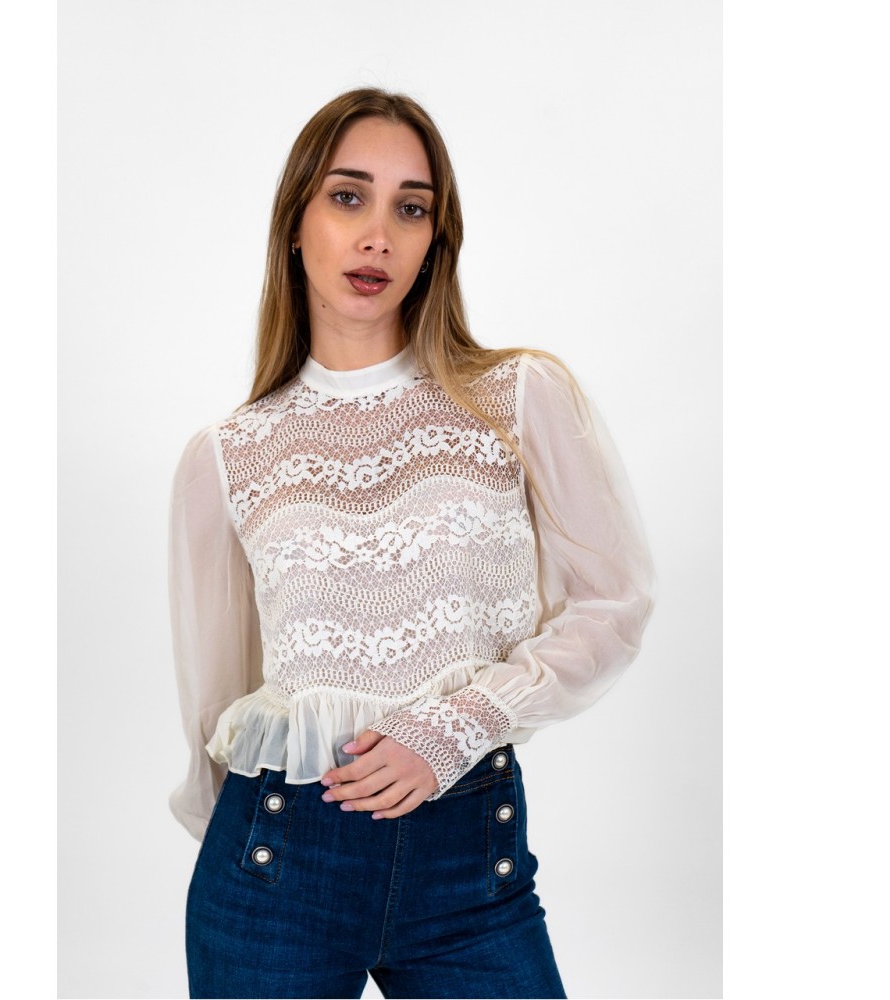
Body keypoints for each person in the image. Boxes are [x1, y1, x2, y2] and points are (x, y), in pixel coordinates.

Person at [168, 88, 655, 1000]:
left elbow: (613, 604)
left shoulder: (518, 397)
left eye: (412, 207)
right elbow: (215, 700)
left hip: (470, 868)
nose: (378, 236)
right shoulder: (225, 457)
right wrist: (240, 841)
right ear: (296, 223)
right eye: (348, 197)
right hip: (274, 865)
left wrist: (454, 727)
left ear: (437, 238)